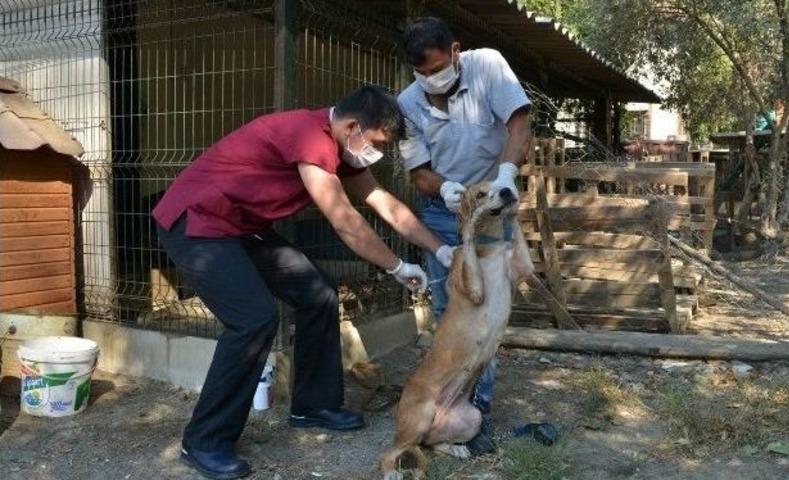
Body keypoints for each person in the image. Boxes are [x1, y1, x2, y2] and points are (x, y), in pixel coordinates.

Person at [152, 85, 454, 480]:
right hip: (197, 222)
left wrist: (442, 250)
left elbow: (384, 203)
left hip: (240, 227)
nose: (378, 153)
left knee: (318, 293)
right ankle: (204, 440)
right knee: (254, 318)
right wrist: (397, 267)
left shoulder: (344, 148)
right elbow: (345, 220)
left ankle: (313, 406)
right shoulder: (309, 136)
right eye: (377, 143)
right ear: (352, 128)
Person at [397, 17, 532, 454]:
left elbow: (519, 122)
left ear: (456, 51)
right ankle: (447, 411)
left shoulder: (488, 65)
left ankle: (479, 409)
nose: (431, 80)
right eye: (421, 74)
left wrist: (507, 174)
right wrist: (445, 189)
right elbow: (418, 173)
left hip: (494, 203)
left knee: (491, 311)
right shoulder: (407, 103)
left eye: (437, 67)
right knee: (451, 313)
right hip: (444, 211)